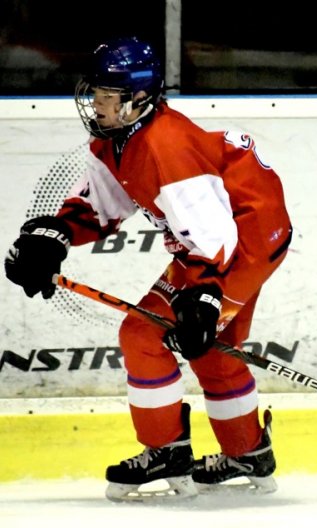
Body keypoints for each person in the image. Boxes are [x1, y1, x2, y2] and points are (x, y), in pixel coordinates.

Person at [4, 36, 292, 502]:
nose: (95, 105)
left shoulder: (166, 148)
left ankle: (166, 451)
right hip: (232, 236)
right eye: (95, 94)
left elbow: (215, 238)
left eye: (106, 97)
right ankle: (247, 452)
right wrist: (52, 236)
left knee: (145, 335)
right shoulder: (118, 137)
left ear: (138, 99)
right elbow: (100, 205)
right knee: (211, 350)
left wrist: (203, 297)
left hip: (245, 244)